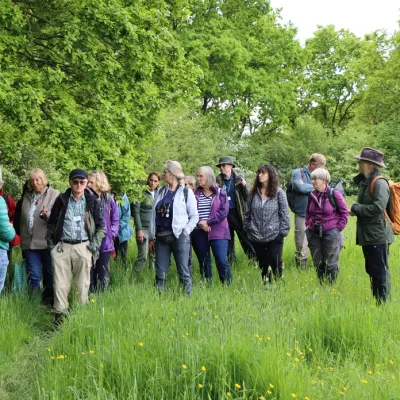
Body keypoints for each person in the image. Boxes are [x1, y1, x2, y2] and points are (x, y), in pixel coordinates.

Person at [47, 169, 105, 324]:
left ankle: (79, 320)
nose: (78, 185)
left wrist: (93, 247)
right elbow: (51, 225)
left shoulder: (93, 201)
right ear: (70, 182)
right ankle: (60, 320)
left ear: (86, 183)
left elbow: (101, 227)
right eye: (75, 182)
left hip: (84, 247)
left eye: (82, 182)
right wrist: (52, 247)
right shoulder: (61, 200)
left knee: (83, 285)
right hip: (62, 247)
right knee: (60, 285)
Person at [350, 147, 394, 303]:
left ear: (368, 164)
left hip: (377, 235)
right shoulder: (366, 181)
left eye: (361, 161)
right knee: (372, 269)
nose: (358, 164)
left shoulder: (379, 183)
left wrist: (356, 208)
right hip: (369, 234)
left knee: (379, 270)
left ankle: (382, 303)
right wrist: (358, 210)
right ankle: (379, 300)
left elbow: (378, 208)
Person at [149, 161, 198, 295]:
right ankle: (159, 299)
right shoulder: (160, 191)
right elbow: (153, 214)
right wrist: (151, 237)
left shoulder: (186, 193)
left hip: (179, 236)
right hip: (160, 236)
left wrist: (186, 232)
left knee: (183, 270)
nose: (163, 175)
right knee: (160, 273)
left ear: (173, 174)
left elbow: (194, 216)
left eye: (165, 172)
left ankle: (187, 298)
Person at [19, 169, 59, 307]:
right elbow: (22, 220)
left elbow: (58, 219)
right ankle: (35, 305)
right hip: (29, 243)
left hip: (47, 242)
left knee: (49, 274)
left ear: (44, 180)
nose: (35, 183)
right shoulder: (27, 196)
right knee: (34, 275)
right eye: (32, 180)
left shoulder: (54, 195)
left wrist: (46, 216)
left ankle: (49, 302)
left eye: (38, 179)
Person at [243, 164, 290, 283]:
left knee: (275, 260)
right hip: (256, 234)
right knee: (263, 263)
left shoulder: (279, 193)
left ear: (270, 175)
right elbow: (247, 212)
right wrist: (247, 228)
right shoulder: (253, 193)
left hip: (274, 234)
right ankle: (266, 285)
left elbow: (284, 213)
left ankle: (279, 283)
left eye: (263, 173)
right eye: (259, 172)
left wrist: (282, 232)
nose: (260, 175)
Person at [305, 168, 348, 284]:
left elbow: (344, 213)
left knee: (331, 263)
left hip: (331, 233)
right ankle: (322, 285)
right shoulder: (311, 195)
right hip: (313, 233)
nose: (312, 181)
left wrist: (338, 228)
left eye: (315, 179)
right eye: (312, 179)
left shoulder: (334, 194)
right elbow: (308, 212)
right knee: (318, 262)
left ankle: (331, 287)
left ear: (324, 180)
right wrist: (308, 224)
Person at [192, 166, 232, 283]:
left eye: (201, 176)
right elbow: (191, 211)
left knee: (221, 259)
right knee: (204, 260)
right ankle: (207, 284)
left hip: (218, 232)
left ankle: (227, 286)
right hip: (199, 231)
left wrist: (208, 221)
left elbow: (223, 211)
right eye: (197, 176)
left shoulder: (220, 192)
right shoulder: (195, 194)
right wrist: (201, 223)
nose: (198, 178)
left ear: (209, 177)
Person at [216, 156, 255, 262]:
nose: (221, 168)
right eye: (220, 166)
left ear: (230, 166)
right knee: (228, 239)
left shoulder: (239, 179)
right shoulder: (218, 180)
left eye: (224, 165)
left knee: (245, 238)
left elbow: (248, 197)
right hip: (224, 214)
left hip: (237, 213)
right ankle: (232, 262)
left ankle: (254, 260)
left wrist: (244, 185)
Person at [291, 153, 326, 268]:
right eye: (321, 166)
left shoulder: (321, 174)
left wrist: (307, 186)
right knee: (301, 244)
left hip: (319, 215)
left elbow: (326, 188)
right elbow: (300, 188)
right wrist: (317, 186)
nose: (323, 169)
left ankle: (321, 266)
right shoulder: (297, 173)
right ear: (312, 164)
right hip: (302, 214)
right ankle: (301, 269)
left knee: (321, 243)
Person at [87, 171, 119, 291]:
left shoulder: (109, 199)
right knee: (89, 274)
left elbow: (115, 219)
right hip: (89, 241)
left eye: (91, 182)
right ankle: (89, 299)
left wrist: (112, 233)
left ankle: (102, 299)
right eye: (88, 182)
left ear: (99, 183)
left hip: (105, 242)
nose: (88, 184)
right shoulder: (86, 198)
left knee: (103, 274)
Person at [132, 172, 160, 271]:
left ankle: (152, 277)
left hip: (156, 228)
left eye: (155, 181)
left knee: (154, 254)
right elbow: (136, 211)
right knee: (143, 255)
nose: (153, 183)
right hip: (143, 228)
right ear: (148, 180)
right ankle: (134, 277)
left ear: (158, 183)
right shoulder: (140, 193)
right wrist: (139, 229)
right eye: (151, 180)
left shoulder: (159, 193)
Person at [0, 169, 18, 264]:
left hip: (5, 234)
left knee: (7, 259)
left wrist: (10, 223)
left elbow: (15, 212)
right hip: (5, 234)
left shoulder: (7, 198)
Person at [0, 196, 16, 294]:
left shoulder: (7, 198)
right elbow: (7, 235)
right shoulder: (1, 200)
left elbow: (14, 210)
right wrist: (11, 228)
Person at [114, 193, 134, 269]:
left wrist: (118, 226)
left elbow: (126, 215)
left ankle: (123, 272)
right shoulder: (106, 195)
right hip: (109, 232)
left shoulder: (123, 197)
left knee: (122, 257)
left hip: (121, 231)